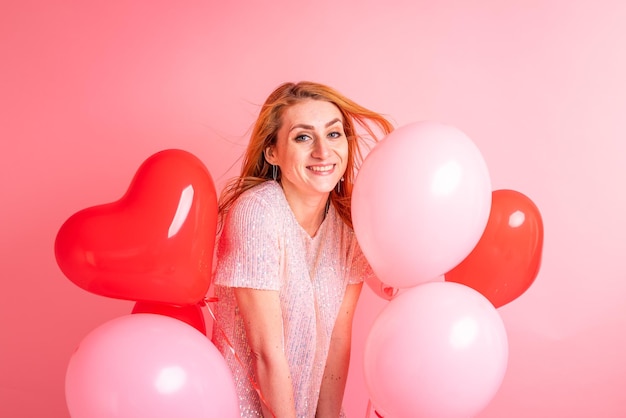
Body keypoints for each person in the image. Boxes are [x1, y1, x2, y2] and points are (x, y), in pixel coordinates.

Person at [210, 81, 394, 418]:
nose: (323, 152)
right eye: (303, 137)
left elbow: (337, 342)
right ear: (272, 152)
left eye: (334, 134)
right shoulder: (257, 213)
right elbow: (266, 352)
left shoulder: (348, 225)